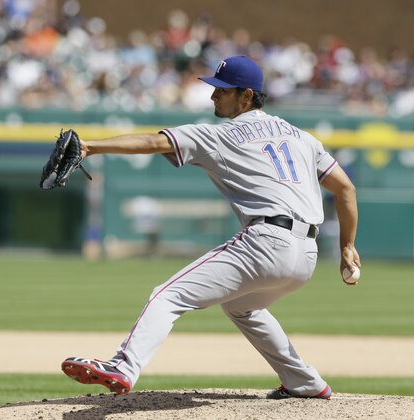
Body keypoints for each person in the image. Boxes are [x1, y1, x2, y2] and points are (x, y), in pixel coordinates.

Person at [61, 55, 360, 400]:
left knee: (167, 294)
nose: (213, 96)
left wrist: (90, 146)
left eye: (222, 90)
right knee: (241, 306)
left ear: (246, 96)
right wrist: (347, 247)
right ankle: (304, 382)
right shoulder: (300, 137)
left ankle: (123, 367)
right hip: (307, 254)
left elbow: (154, 142)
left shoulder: (221, 136)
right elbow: (345, 189)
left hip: (266, 242)